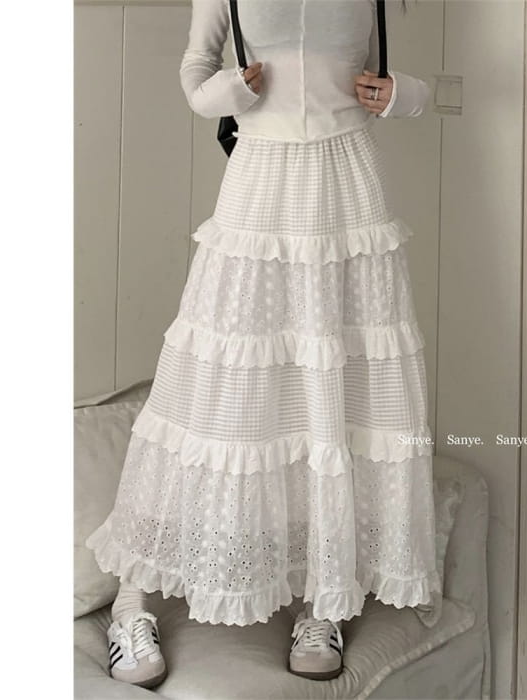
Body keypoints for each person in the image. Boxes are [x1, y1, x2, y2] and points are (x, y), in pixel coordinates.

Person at [86, 0, 438, 687]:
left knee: (343, 384)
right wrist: (229, 91)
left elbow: (383, 75)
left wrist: (406, 94)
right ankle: (131, 601)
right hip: (259, 177)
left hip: (348, 181)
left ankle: (324, 602)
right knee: (213, 382)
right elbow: (195, 74)